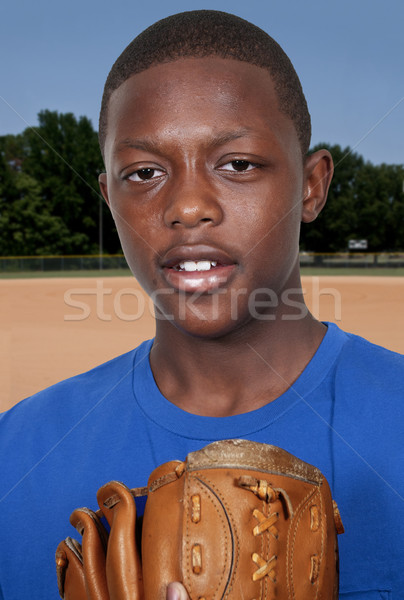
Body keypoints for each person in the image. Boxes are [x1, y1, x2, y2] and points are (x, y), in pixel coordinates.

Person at [1, 10, 403, 600]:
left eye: (237, 164)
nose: (188, 206)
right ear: (109, 198)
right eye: (144, 172)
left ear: (312, 186)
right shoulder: (18, 455)